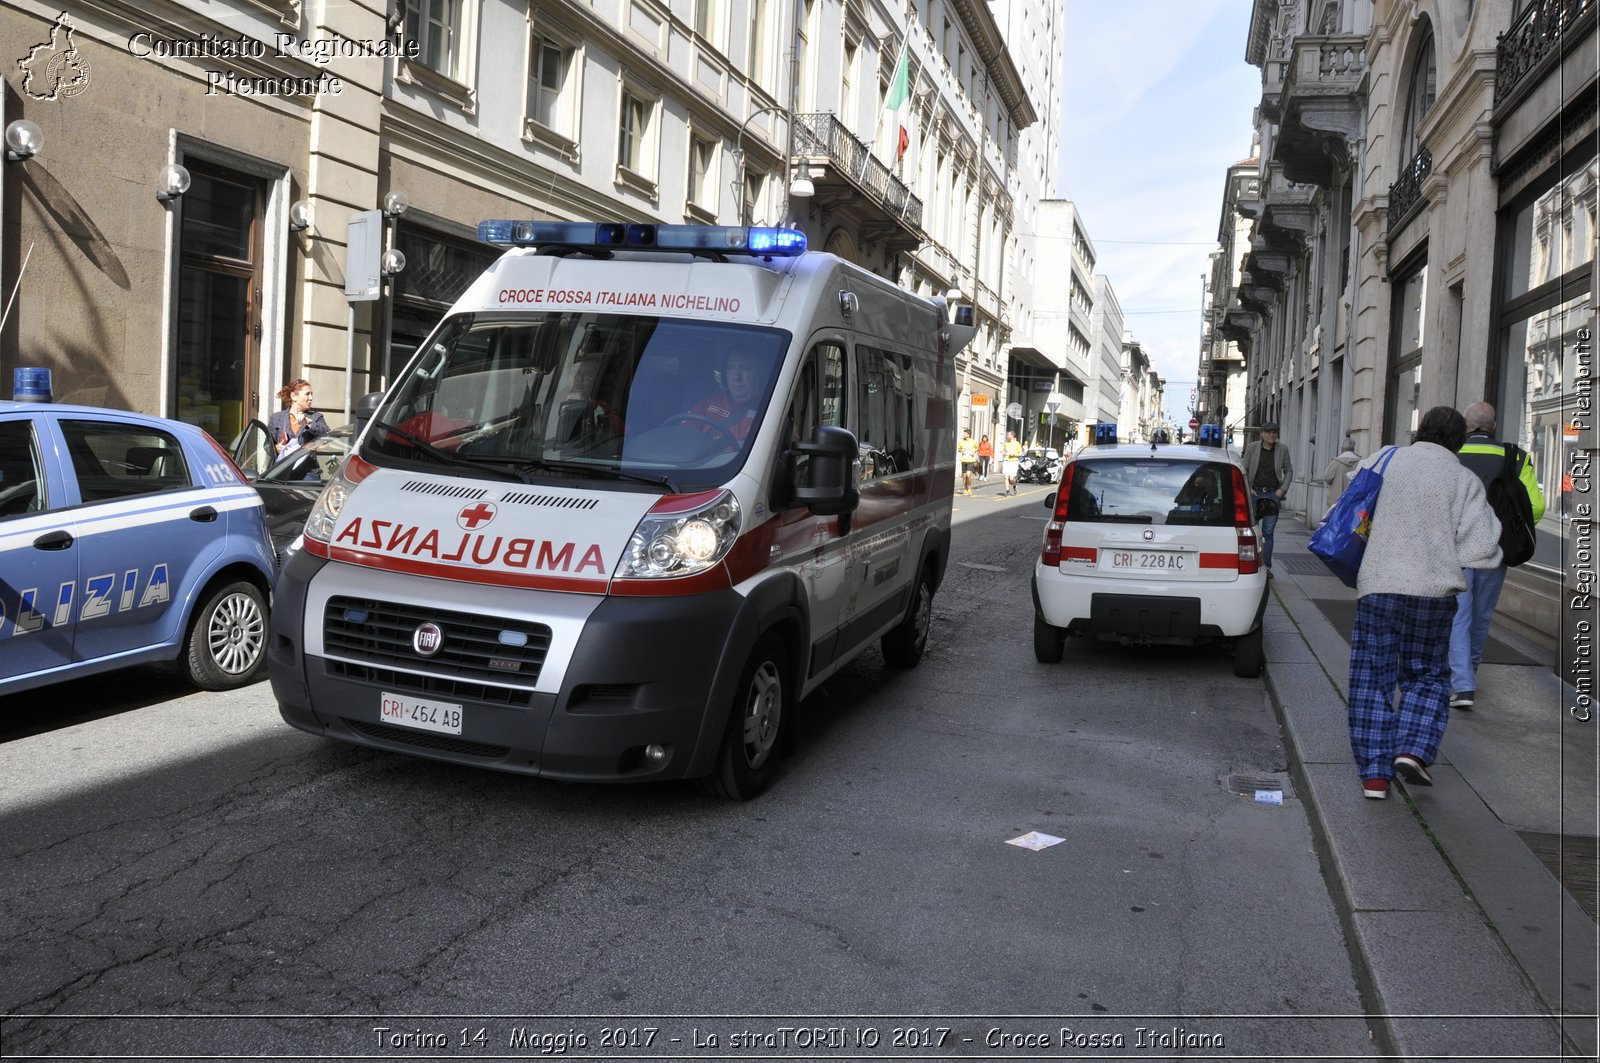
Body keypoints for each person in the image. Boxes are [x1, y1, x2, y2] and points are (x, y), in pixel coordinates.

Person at [1346, 406, 1501, 801]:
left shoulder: (1385, 458)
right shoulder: (1463, 480)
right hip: (1433, 595)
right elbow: (1484, 549)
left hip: (1379, 586)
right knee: (1428, 675)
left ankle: (1375, 778)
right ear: (1459, 441)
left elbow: (1352, 490)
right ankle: (1413, 749)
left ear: (1420, 431)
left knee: (1371, 678)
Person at [1447, 401, 1545, 710]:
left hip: (1459, 550)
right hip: (1497, 551)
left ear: (1467, 426)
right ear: (1493, 426)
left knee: (1458, 616)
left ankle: (1462, 685)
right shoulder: (1514, 456)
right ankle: (1469, 674)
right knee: (1482, 616)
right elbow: (1537, 507)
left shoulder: (1453, 456)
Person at [1241, 420, 1292, 570]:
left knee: (1268, 532)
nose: (1272, 435)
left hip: (1272, 494)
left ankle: (1266, 567)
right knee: (1251, 530)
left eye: (1274, 432)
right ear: (1262, 434)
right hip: (1254, 493)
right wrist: (1248, 488)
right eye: (1268, 432)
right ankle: (1252, 564)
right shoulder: (1252, 448)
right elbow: (1244, 468)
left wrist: (1282, 489)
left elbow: (1289, 470)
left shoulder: (1282, 449)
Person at [689, 350, 764, 443]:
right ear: (725, 374)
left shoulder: (766, 409)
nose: (736, 377)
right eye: (731, 367)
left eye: (745, 368)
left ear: (757, 373)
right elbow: (684, 437)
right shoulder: (707, 403)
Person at [268, 379, 330, 458]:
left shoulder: (316, 417)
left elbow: (327, 438)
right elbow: (267, 446)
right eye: (307, 394)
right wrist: (275, 448)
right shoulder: (277, 418)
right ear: (294, 396)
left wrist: (308, 423)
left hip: (307, 468)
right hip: (283, 468)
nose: (311, 398)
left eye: (311, 394)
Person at [1317, 436, 1361, 528]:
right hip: (1353, 500)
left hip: (1336, 500)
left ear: (1342, 449)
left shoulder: (1335, 462)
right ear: (1353, 449)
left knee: (1335, 525)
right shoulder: (1360, 462)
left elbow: (1327, 477)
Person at [957, 430, 979, 495]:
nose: (963, 435)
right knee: (964, 476)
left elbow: (977, 448)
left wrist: (974, 451)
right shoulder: (961, 441)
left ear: (968, 435)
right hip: (964, 460)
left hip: (970, 460)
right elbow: (958, 449)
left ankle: (969, 488)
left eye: (965, 434)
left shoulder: (973, 441)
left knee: (968, 475)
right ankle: (965, 489)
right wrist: (961, 450)